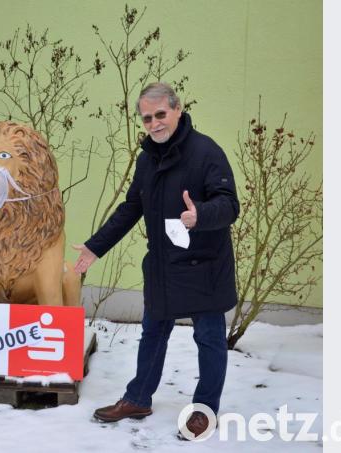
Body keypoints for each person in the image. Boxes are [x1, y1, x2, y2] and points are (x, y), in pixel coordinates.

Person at [73, 82, 239, 439]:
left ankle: (204, 410)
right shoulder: (148, 158)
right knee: (152, 334)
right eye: (147, 118)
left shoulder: (207, 151)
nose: (154, 123)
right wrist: (95, 247)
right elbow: (132, 207)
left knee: (209, 339)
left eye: (160, 114)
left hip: (205, 264)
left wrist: (202, 215)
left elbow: (229, 204)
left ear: (177, 110)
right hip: (164, 265)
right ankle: (138, 398)